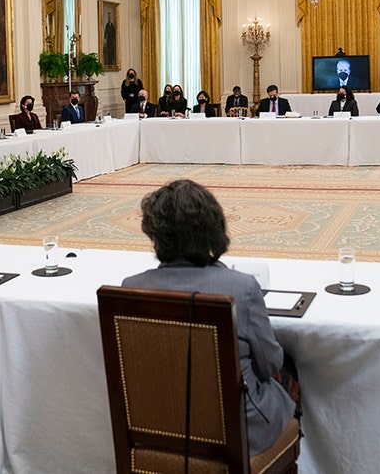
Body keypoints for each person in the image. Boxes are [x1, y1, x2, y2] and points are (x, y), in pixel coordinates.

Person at [121, 179, 296, 456]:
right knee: (290, 369)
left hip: (160, 429)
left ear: (155, 234)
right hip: (236, 434)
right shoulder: (241, 288)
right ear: (214, 228)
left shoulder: (131, 288)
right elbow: (269, 364)